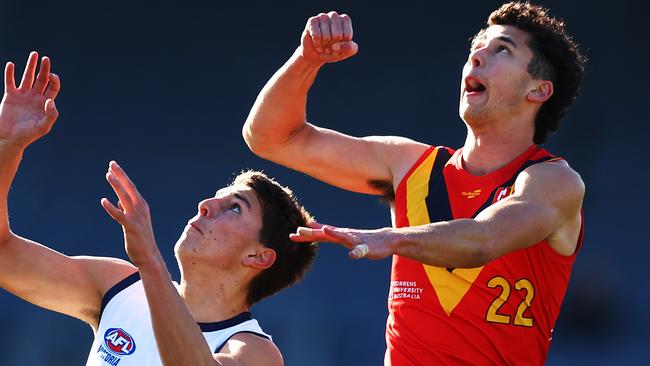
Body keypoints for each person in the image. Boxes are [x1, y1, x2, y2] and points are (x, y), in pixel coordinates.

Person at [243, 2, 586, 365]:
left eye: (502, 49)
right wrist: (306, 60)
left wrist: (390, 239)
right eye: (476, 47)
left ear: (538, 90)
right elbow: (269, 137)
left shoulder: (553, 181)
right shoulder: (410, 165)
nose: (478, 56)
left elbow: (484, 240)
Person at [0, 52, 317, 366]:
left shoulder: (253, 352)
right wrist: (8, 146)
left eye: (234, 208)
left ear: (258, 257)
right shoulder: (119, 287)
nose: (206, 206)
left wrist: (150, 261)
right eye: (216, 198)